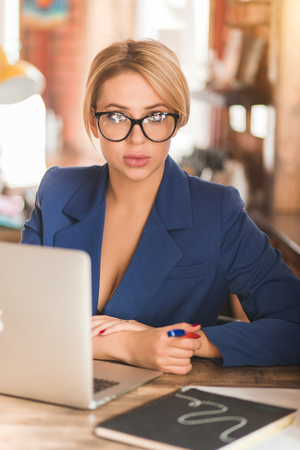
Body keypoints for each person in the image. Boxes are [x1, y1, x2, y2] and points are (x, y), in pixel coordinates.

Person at [21, 38, 300, 374]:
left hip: (166, 414)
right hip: (51, 392)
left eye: (154, 116)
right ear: (94, 121)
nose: (136, 138)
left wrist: (190, 342)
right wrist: (123, 345)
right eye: (116, 116)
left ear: (177, 121)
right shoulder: (57, 191)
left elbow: (293, 325)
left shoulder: (217, 211)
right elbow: (19, 317)